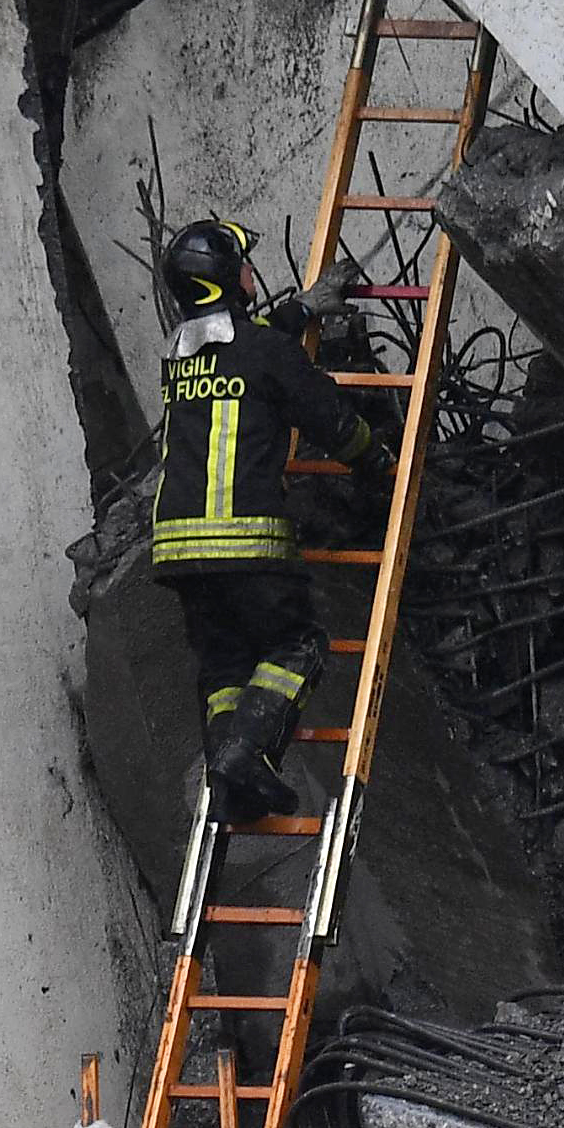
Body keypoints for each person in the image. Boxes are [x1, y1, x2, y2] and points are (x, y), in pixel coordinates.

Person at [147, 215, 389, 820]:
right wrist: (376, 460)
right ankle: (247, 754)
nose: (254, 273)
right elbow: (325, 415)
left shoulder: (177, 361)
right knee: (297, 643)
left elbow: (247, 352)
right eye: (246, 265)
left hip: (179, 555)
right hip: (244, 543)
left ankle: (229, 782)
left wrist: (304, 308)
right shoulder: (265, 354)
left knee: (226, 664)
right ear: (230, 279)